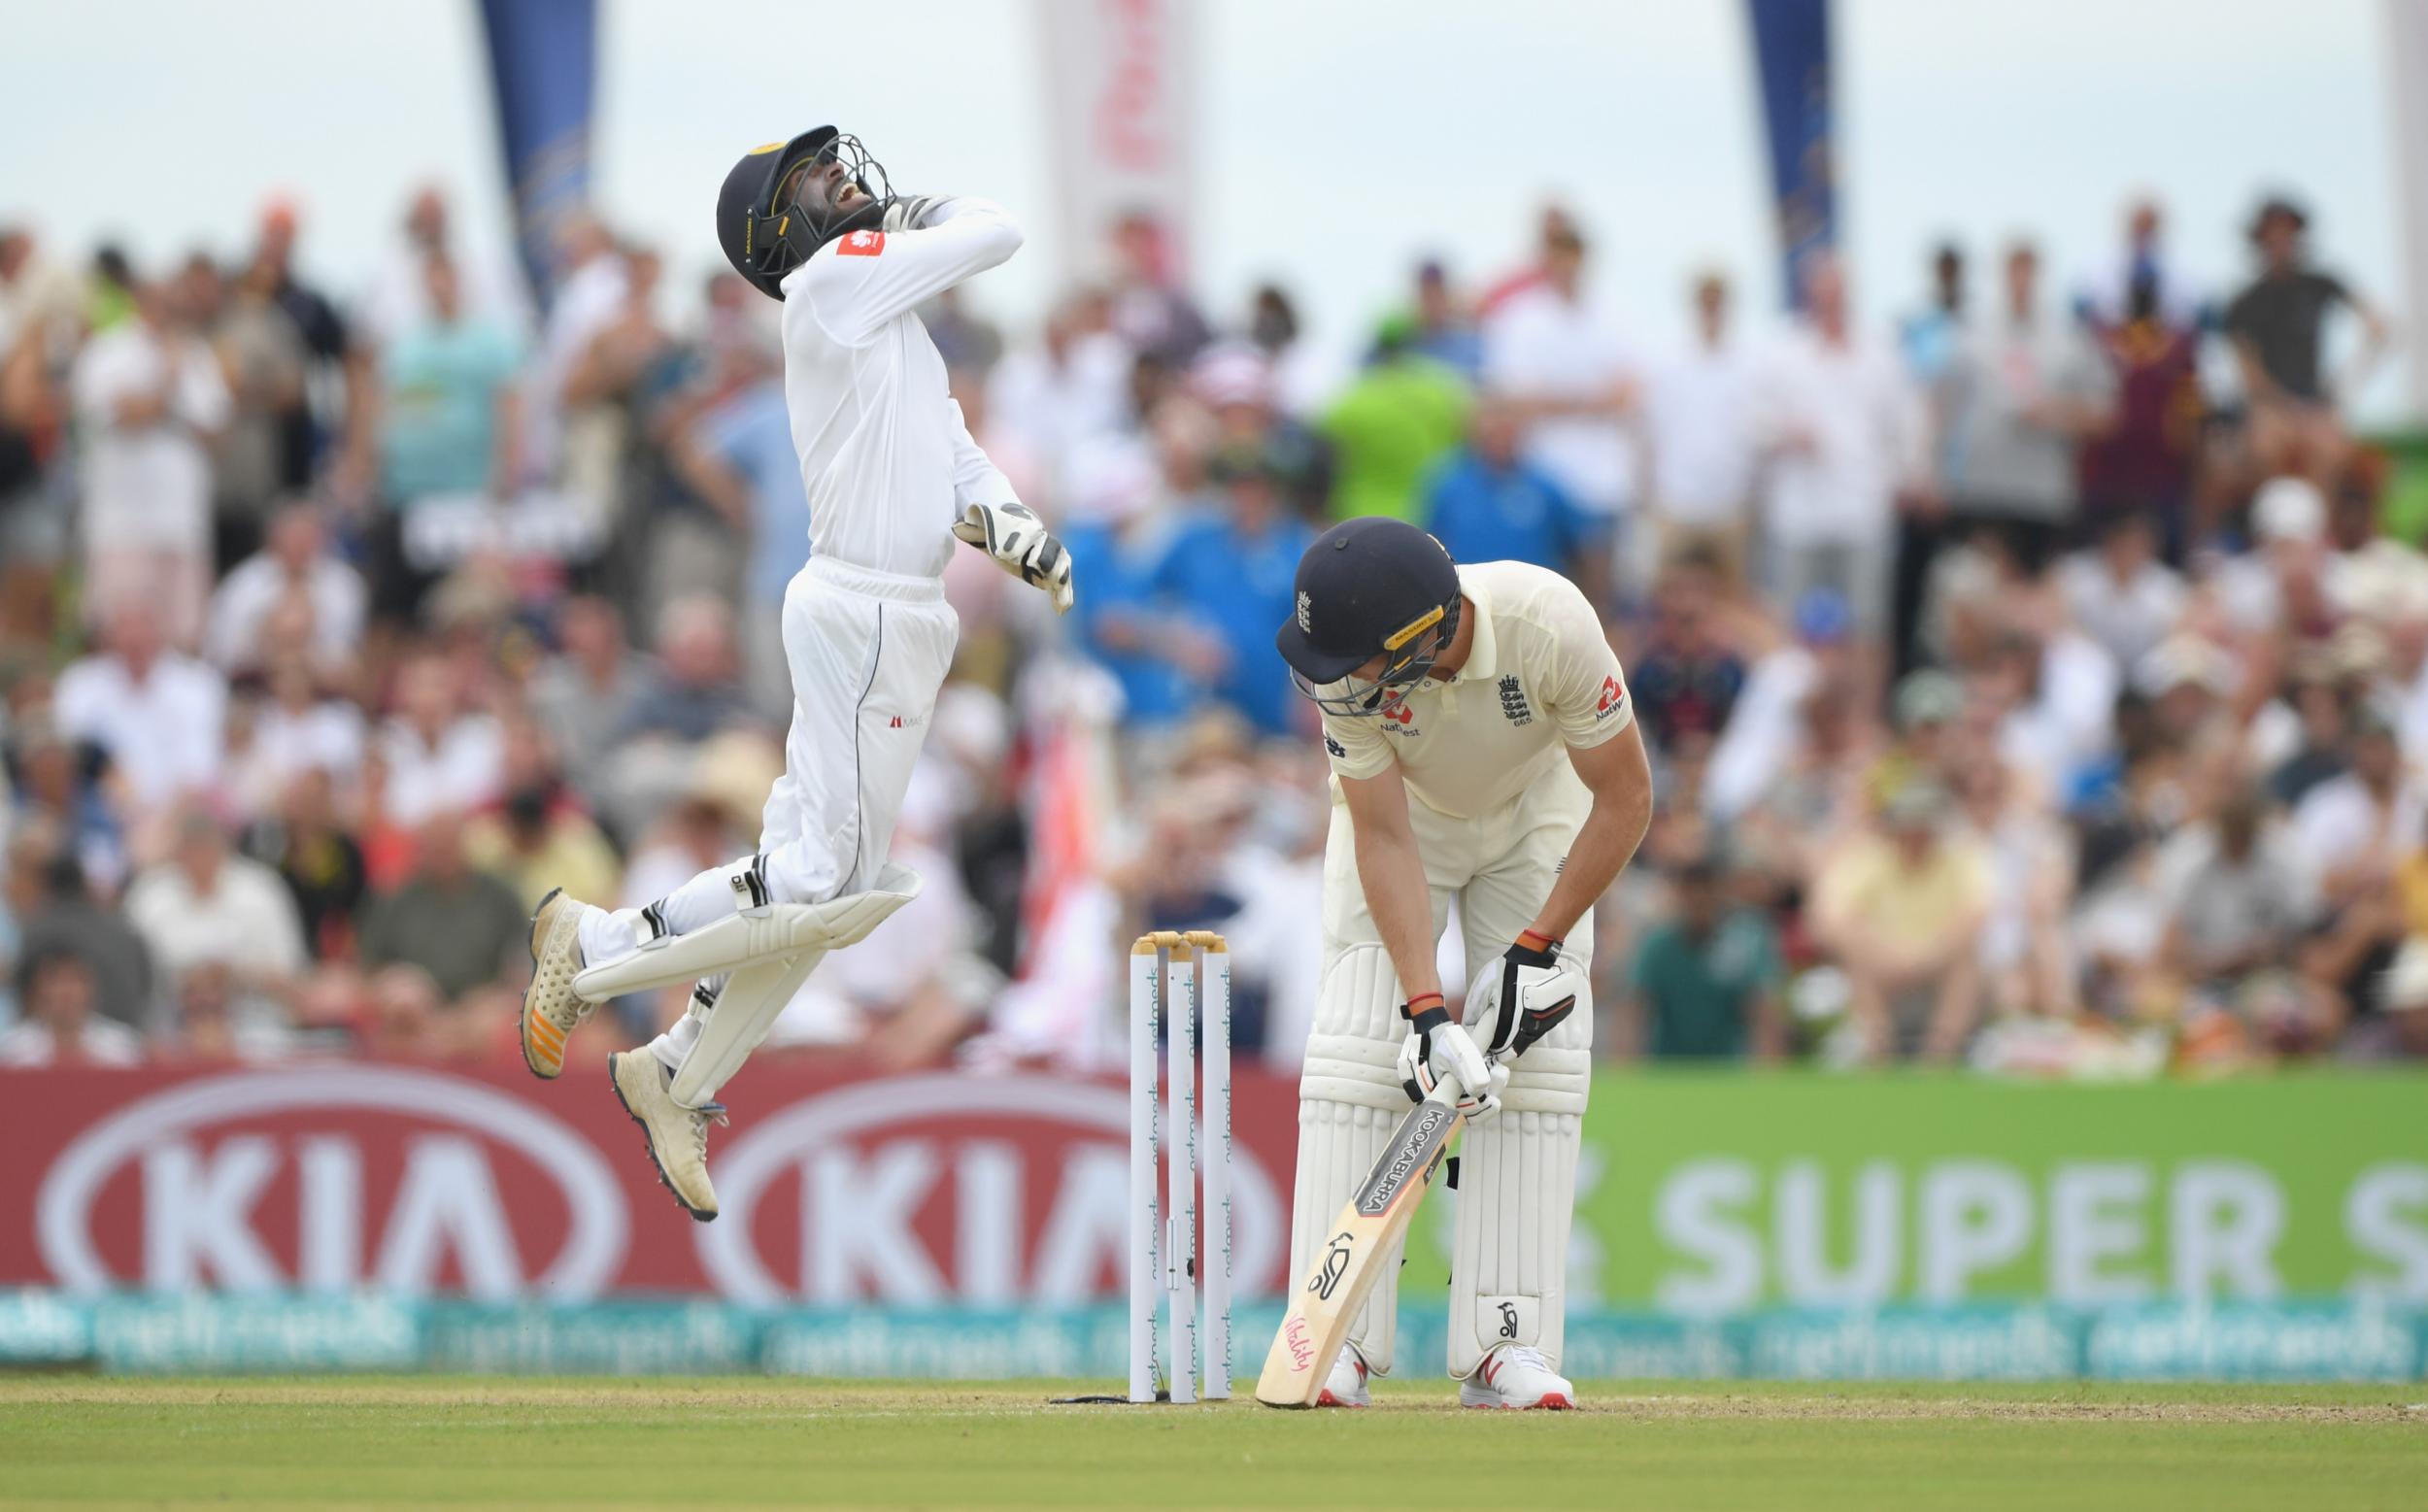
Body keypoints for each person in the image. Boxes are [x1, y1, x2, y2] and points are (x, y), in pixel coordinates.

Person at [519, 124, 1072, 1222]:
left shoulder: (880, 314)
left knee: (830, 892)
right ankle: (594, 943)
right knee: (825, 884)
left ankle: (675, 1070)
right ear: (782, 228)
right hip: (864, 607)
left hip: (895, 615)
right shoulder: (831, 279)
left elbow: (944, 449)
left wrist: (1013, 526)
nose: (845, 180)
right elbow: (999, 232)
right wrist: (918, 207)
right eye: (817, 178)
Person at [1272, 516, 1654, 1410]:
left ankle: (1505, 1342)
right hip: (1407, 820)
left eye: (1350, 658)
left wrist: (1536, 947)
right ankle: (1337, 1340)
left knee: (1537, 1058)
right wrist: (1425, 1011)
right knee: (1364, 1044)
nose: (1329, 678)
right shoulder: (1350, 678)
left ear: (1419, 640)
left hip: (1537, 813)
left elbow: (1628, 796)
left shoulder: (1549, 622)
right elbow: (1381, 831)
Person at [2224, 196, 2390, 491]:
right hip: (2271, 407)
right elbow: (2249, 374)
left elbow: (2380, 328)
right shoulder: (2245, 302)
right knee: (2266, 447)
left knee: (2329, 452)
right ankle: (2273, 525)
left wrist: (2345, 383)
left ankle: (2320, 529)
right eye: (2271, 235)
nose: (2280, 242)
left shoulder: (2320, 285)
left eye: (2286, 233)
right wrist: (2288, 407)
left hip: (2316, 403)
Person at [1620, 853, 1785, 1059]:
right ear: (1679, 896)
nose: (1699, 904)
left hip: (1728, 1067)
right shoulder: (1658, 945)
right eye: (1691, 895)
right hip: (1668, 1068)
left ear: (1719, 894)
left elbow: (1763, 1010)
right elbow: (1634, 1008)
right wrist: (1626, 1069)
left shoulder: (1746, 940)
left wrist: (1769, 1071)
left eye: (1706, 895)